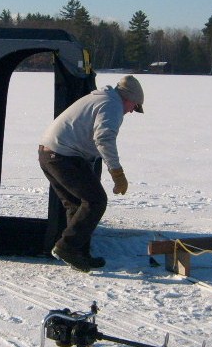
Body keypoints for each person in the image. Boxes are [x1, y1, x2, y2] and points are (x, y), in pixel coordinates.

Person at [38, 75, 144, 272]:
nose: (131, 111)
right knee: (96, 201)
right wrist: (117, 173)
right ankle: (66, 247)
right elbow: (104, 138)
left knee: (76, 204)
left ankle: (79, 255)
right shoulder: (112, 105)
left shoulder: (102, 98)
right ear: (128, 98)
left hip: (49, 154)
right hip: (62, 156)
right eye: (134, 106)